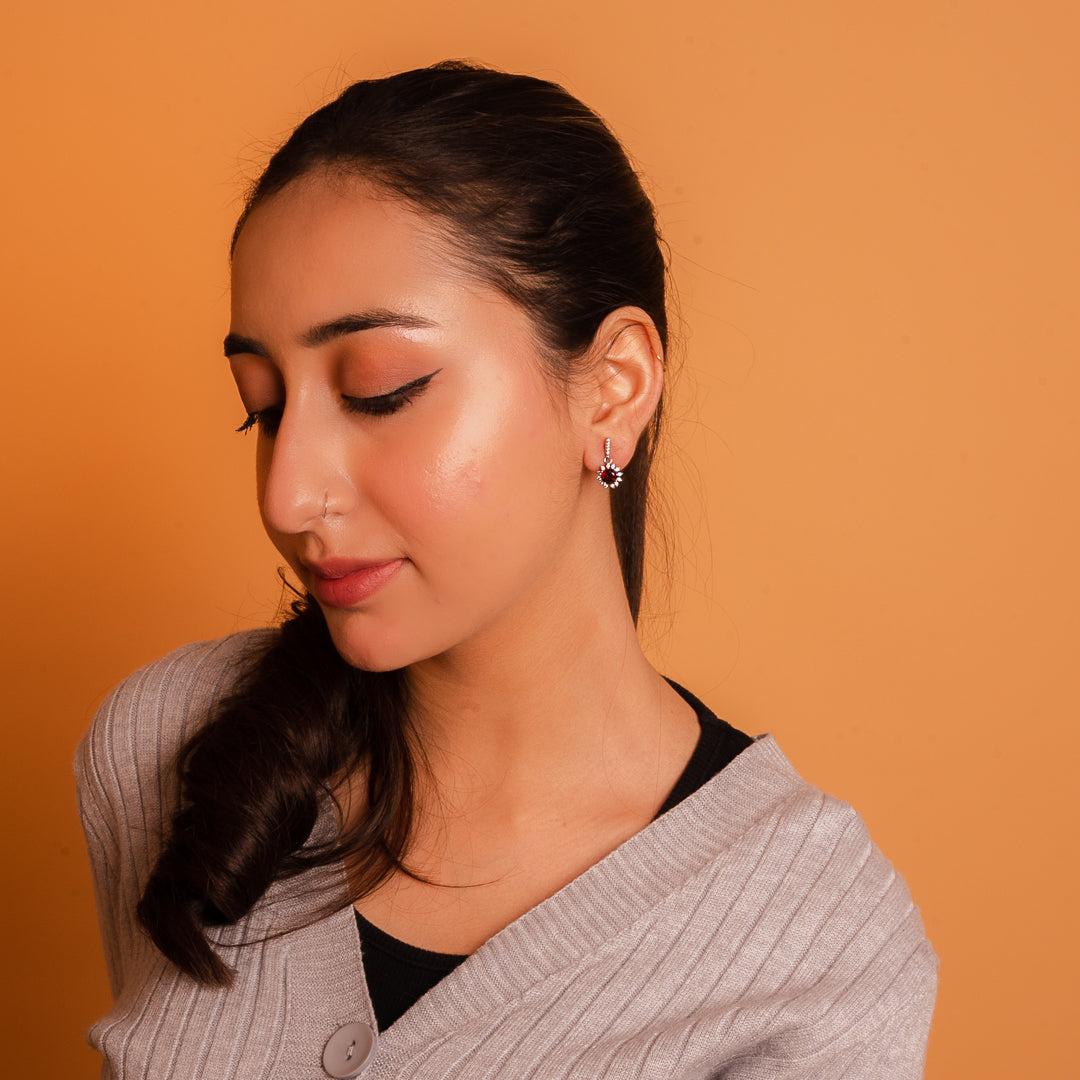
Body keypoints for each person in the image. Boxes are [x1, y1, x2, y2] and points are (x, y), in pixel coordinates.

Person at [76, 61, 937, 1079]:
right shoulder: (166, 751)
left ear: (614, 387)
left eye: (381, 391)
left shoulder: (818, 945)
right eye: (263, 406)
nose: (285, 495)